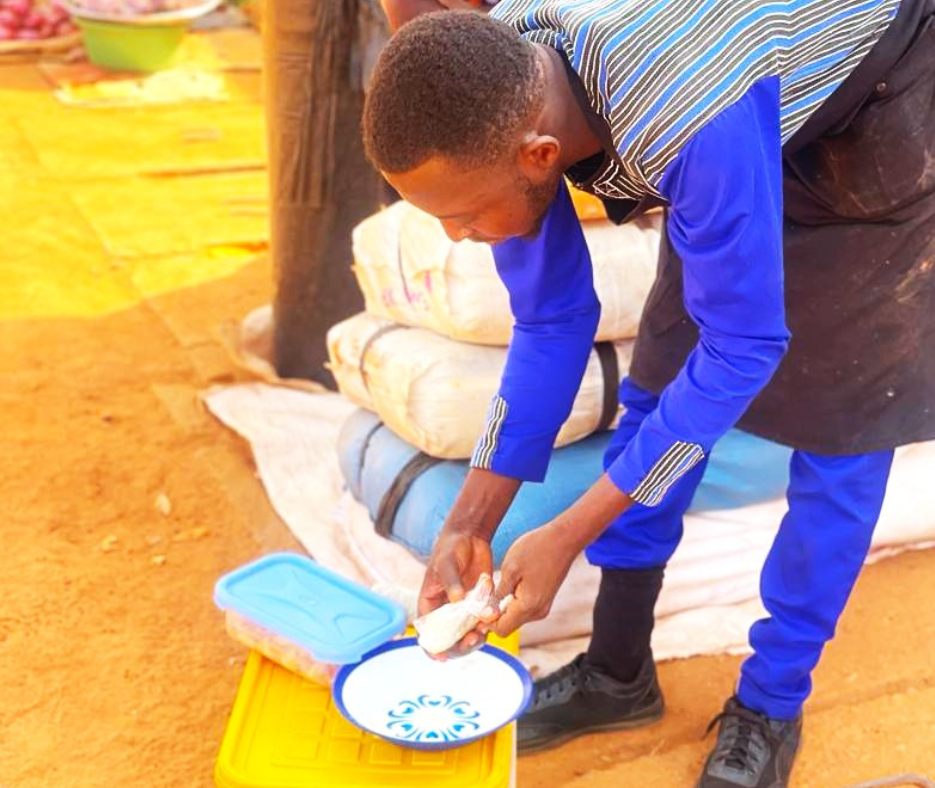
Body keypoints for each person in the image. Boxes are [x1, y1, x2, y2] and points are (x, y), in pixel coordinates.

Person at [363, 2, 935, 786]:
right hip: (736, 85)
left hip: (877, 125)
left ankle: (770, 705)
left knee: (843, 434)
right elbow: (551, 318)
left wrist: (569, 531)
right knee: (661, 380)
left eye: (461, 217)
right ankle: (617, 670)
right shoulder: (508, 75)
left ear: (540, 154)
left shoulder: (685, 119)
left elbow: (745, 348)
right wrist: (470, 521)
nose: (456, 236)